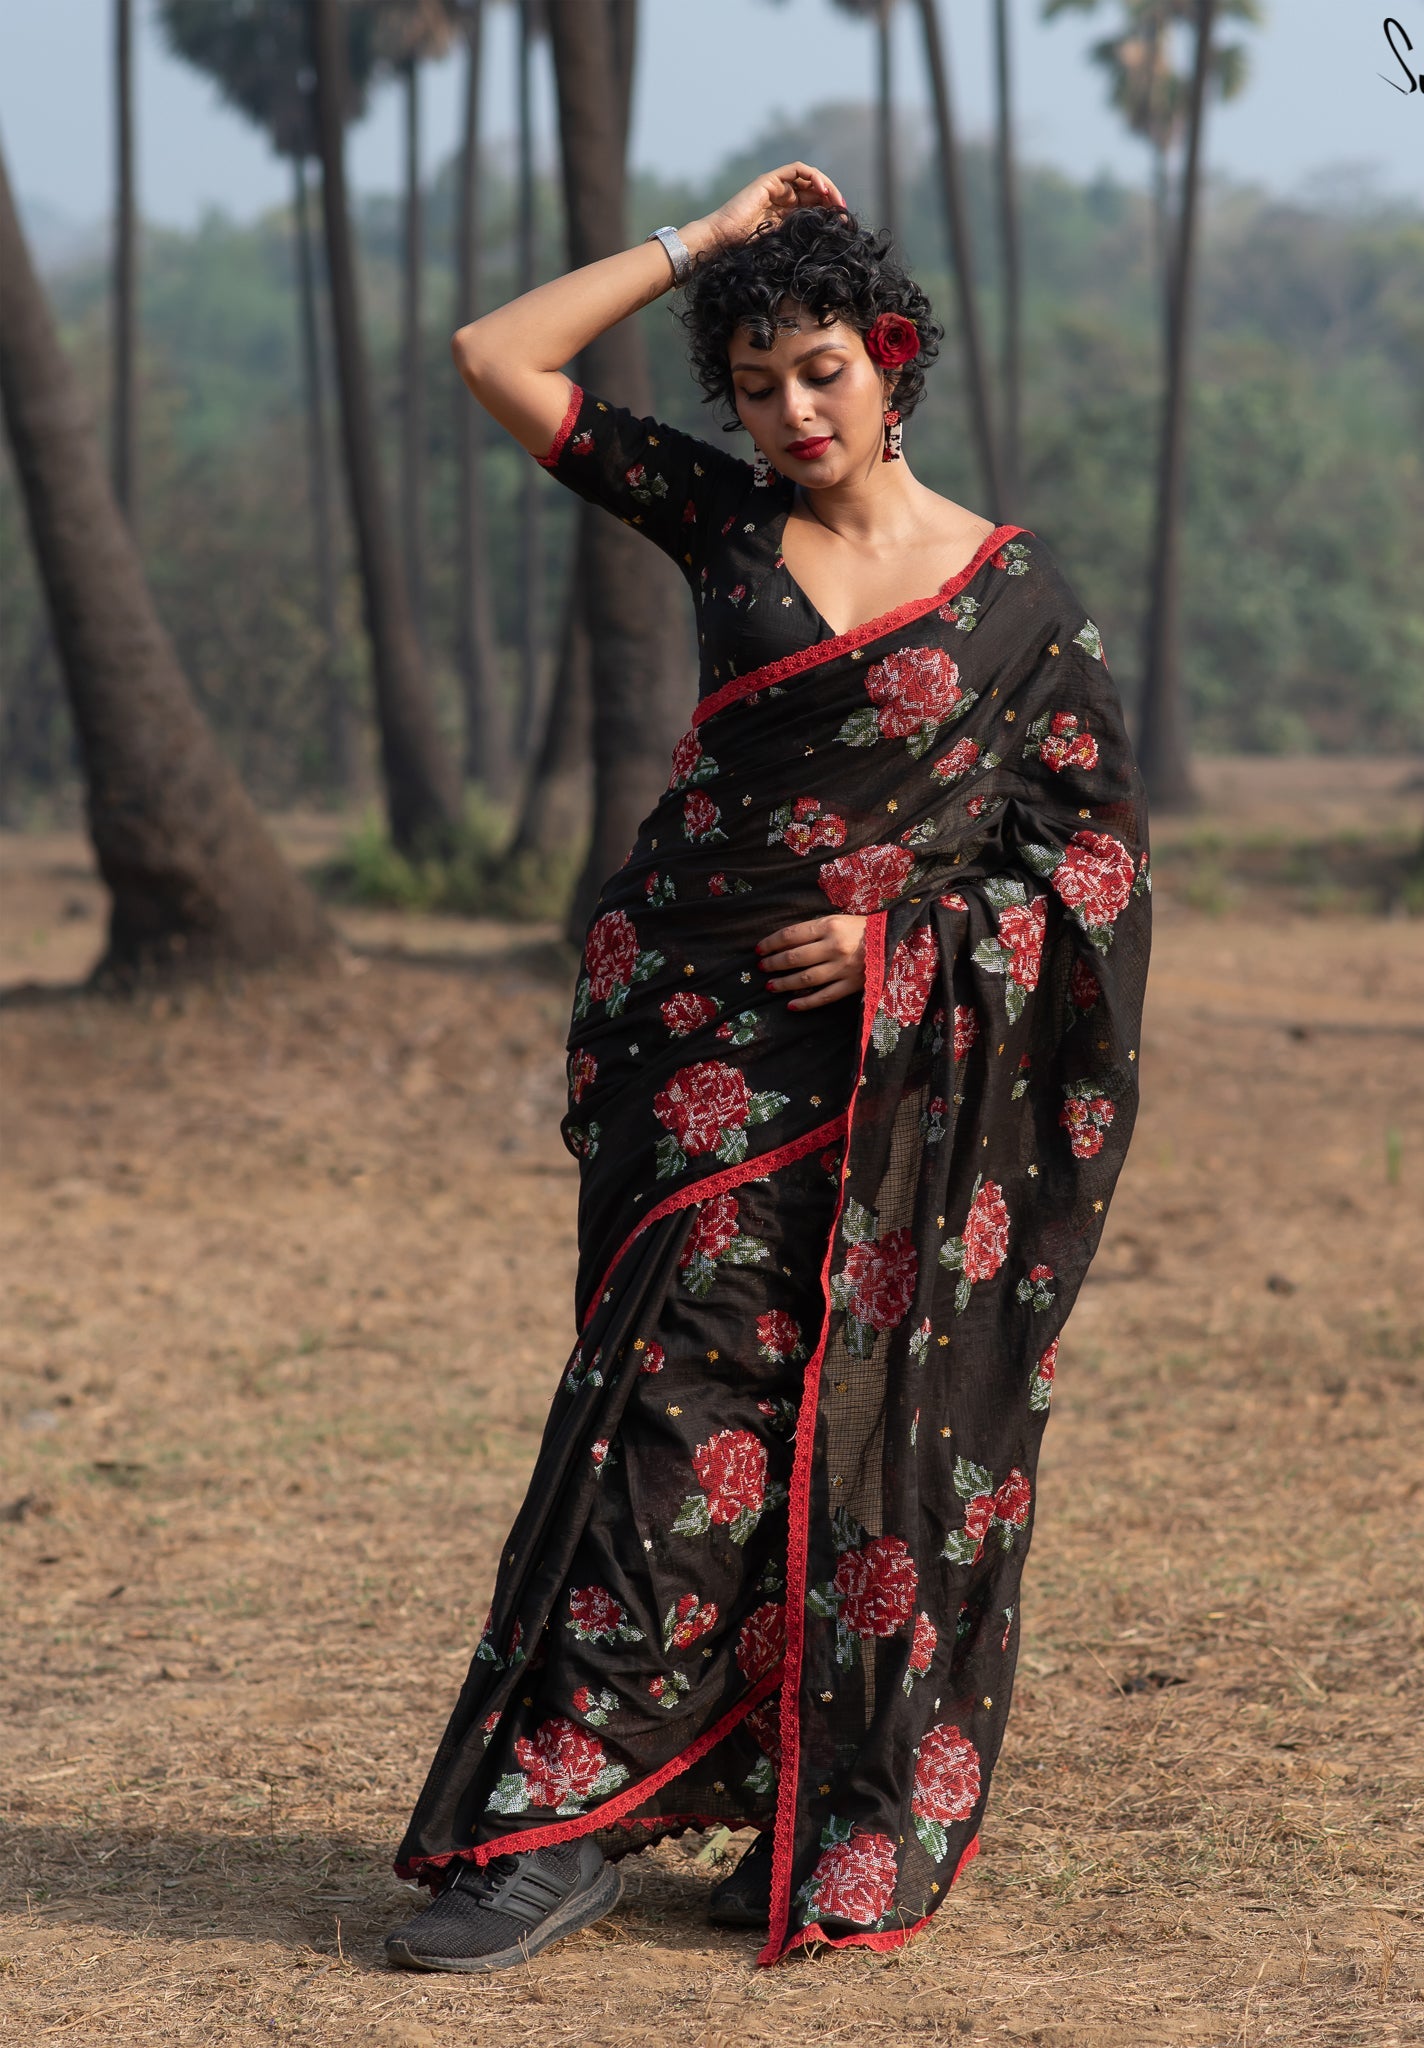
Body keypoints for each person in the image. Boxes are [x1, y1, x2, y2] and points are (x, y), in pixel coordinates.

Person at [386, 162, 1151, 1975]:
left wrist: (906, 951)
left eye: (821, 370)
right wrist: (706, 239)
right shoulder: (724, 521)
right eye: (754, 386)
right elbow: (495, 354)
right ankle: (566, 1816)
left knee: (847, 1423)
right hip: (693, 1047)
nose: (795, 413)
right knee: (666, 1414)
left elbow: (1097, 866)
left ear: (891, 359)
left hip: (889, 1079)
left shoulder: (1016, 602)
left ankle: (787, 1800)